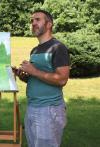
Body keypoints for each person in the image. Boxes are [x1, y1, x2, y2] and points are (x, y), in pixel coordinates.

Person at [12, 10, 70, 147]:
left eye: (37, 20)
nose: (33, 23)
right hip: (32, 107)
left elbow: (62, 79)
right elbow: (36, 77)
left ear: (49, 24)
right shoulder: (35, 50)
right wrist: (23, 75)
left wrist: (34, 71)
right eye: (32, 20)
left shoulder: (58, 47)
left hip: (49, 110)